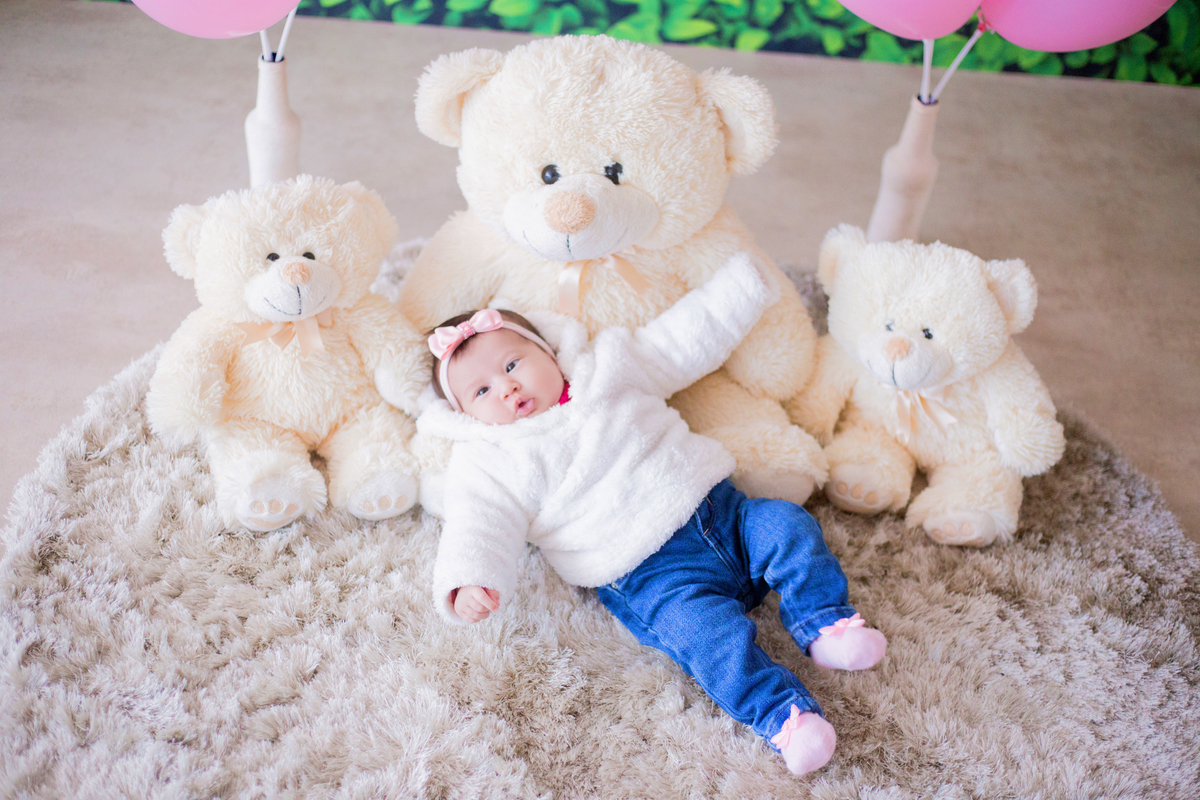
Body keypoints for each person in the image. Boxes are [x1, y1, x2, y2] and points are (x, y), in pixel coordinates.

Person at [418, 252, 887, 776]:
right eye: (481, 391)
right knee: (707, 638)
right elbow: (478, 522)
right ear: (466, 416)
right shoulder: (489, 459)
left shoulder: (611, 366)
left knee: (788, 525)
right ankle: (785, 717)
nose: (507, 387)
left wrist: (742, 288)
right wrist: (469, 579)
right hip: (650, 576)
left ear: (549, 351)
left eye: (511, 365)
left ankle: (826, 623)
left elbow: (683, 340)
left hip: (724, 515)